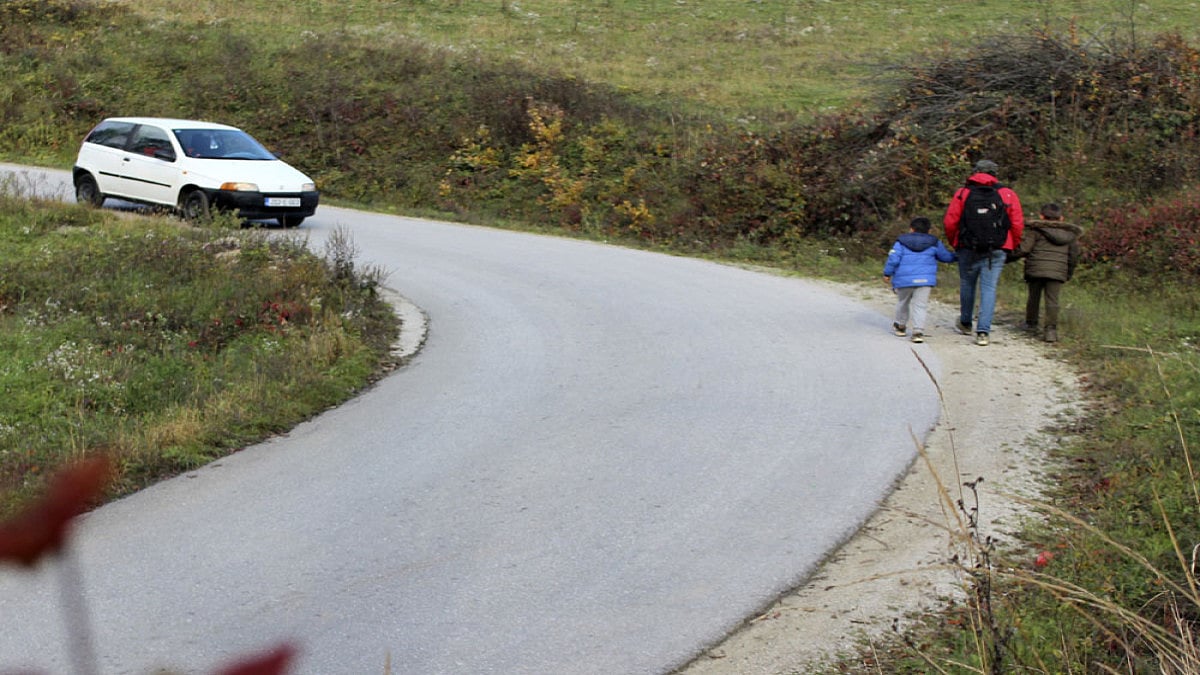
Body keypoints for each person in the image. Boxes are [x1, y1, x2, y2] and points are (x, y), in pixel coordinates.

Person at [943, 159, 1025, 346]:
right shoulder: (1007, 194)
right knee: (989, 288)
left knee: (967, 283)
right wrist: (1012, 244)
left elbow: (950, 222)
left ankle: (965, 322)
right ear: (995, 174)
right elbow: (1017, 224)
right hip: (997, 248)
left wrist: (955, 242)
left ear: (975, 172)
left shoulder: (963, 193)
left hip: (967, 246)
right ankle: (983, 332)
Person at [1010, 203, 1082, 343]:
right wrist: (1068, 273)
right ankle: (1051, 331)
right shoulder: (1071, 235)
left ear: (1041, 216)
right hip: (1057, 271)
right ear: (1061, 218)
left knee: (1033, 298)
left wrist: (1007, 257)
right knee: (1053, 301)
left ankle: (1031, 325)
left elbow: (1024, 249)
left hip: (1036, 269)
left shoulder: (1036, 231)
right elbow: (1073, 257)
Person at [883, 216, 956, 343]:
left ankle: (900, 326)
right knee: (920, 305)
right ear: (929, 230)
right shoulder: (934, 242)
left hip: (903, 279)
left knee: (903, 302)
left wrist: (887, 273)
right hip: (925, 280)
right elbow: (945, 257)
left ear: (911, 229)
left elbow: (894, 259)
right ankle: (918, 331)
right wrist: (960, 256)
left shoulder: (901, 241)